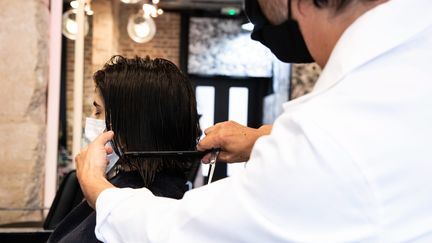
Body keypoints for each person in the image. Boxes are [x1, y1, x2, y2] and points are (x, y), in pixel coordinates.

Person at [76, 0, 432, 241]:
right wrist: (262, 137)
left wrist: (97, 188)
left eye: (96, 109)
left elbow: (188, 234)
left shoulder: (326, 134)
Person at [48, 55, 201, 242]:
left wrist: (93, 181)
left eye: (97, 111)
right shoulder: (138, 195)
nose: (90, 120)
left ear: (132, 127)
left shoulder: (147, 210)